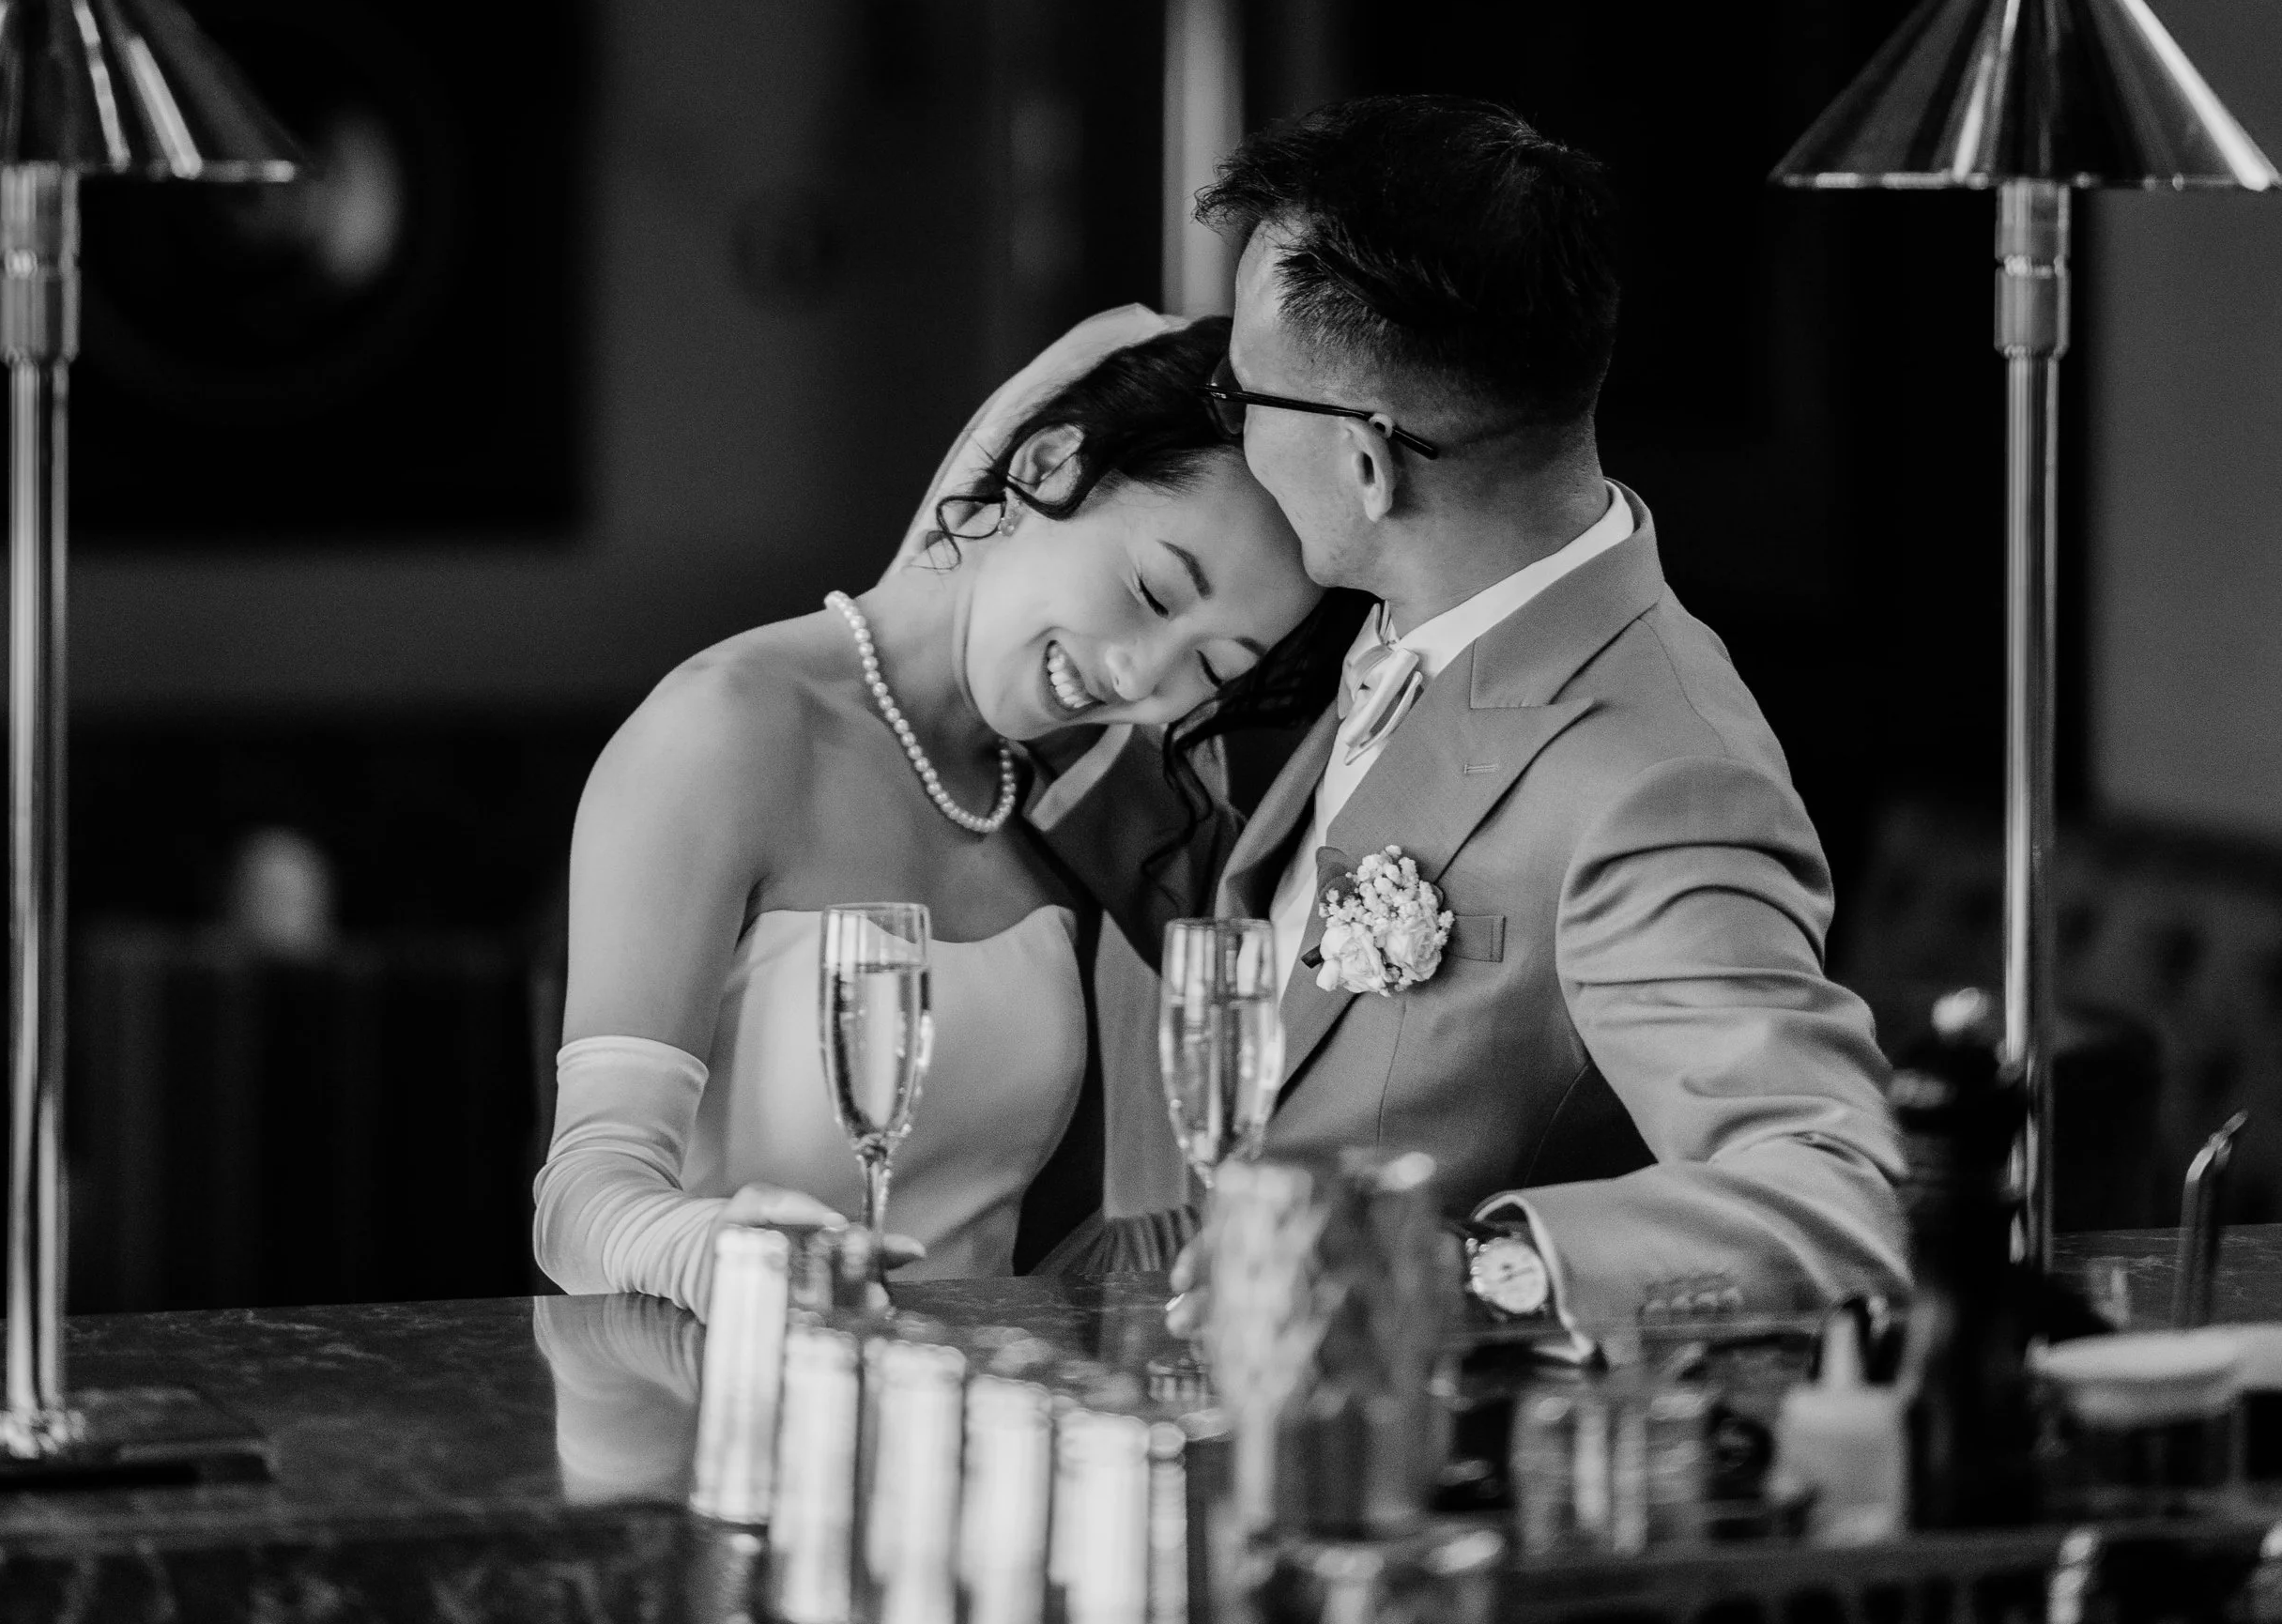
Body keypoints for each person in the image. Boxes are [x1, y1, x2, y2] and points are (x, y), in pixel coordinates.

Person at [1061, 94, 1908, 1332]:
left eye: (1245, 401)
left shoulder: (1658, 778)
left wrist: (1454, 1275)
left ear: (1366, 463)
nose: (1231, 437)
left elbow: (1836, 1199)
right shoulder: (1408, 613)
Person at [532, 314, 1345, 1316]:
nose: (1142, 679)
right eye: (1150, 591)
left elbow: (1045, 1244)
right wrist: (717, 1255)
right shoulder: (725, 729)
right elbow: (580, 1201)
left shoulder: (1058, 805)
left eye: (1212, 667)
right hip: (722, 1378)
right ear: (1048, 464)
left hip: (975, 1399)